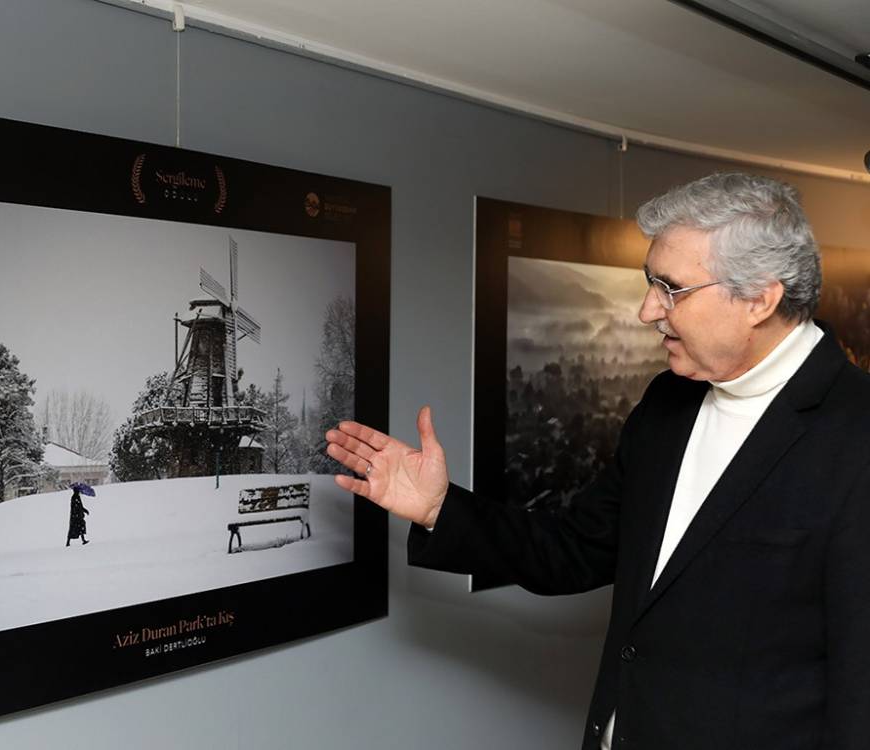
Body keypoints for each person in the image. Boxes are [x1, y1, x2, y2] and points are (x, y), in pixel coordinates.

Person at [326, 173, 870, 750]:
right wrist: (439, 508)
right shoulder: (669, 401)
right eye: (648, 283)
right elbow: (576, 549)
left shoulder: (856, 434)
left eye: (671, 288)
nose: (646, 310)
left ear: (760, 298)